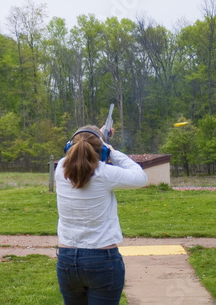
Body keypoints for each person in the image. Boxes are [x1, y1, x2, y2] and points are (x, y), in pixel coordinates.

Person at [55, 125, 147, 305]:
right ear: (102, 152)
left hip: (67, 259)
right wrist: (112, 150)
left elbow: (84, 146)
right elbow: (140, 177)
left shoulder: (60, 169)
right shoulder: (105, 173)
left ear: (69, 148)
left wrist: (100, 136)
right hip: (102, 260)